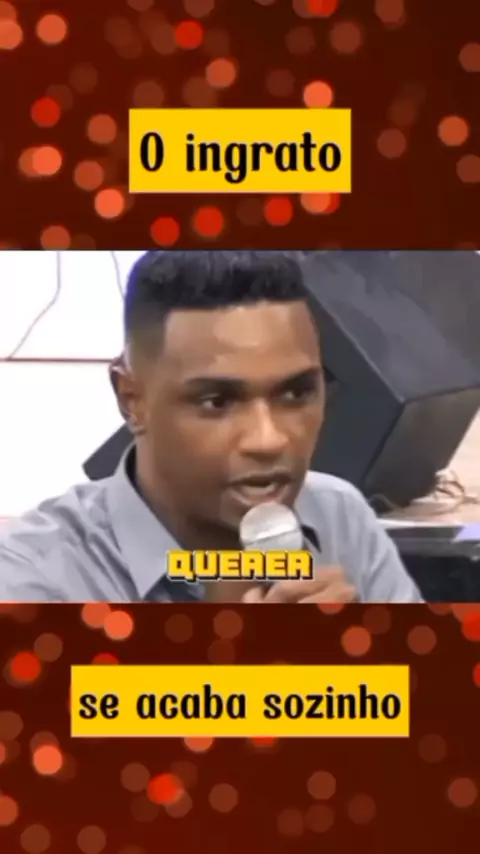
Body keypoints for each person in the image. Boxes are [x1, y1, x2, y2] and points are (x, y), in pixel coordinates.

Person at [0, 251, 422, 603]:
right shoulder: (36, 578)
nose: (268, 439)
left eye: (295, 394)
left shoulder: (340, 516)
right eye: (217, 402)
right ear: (131, 399)